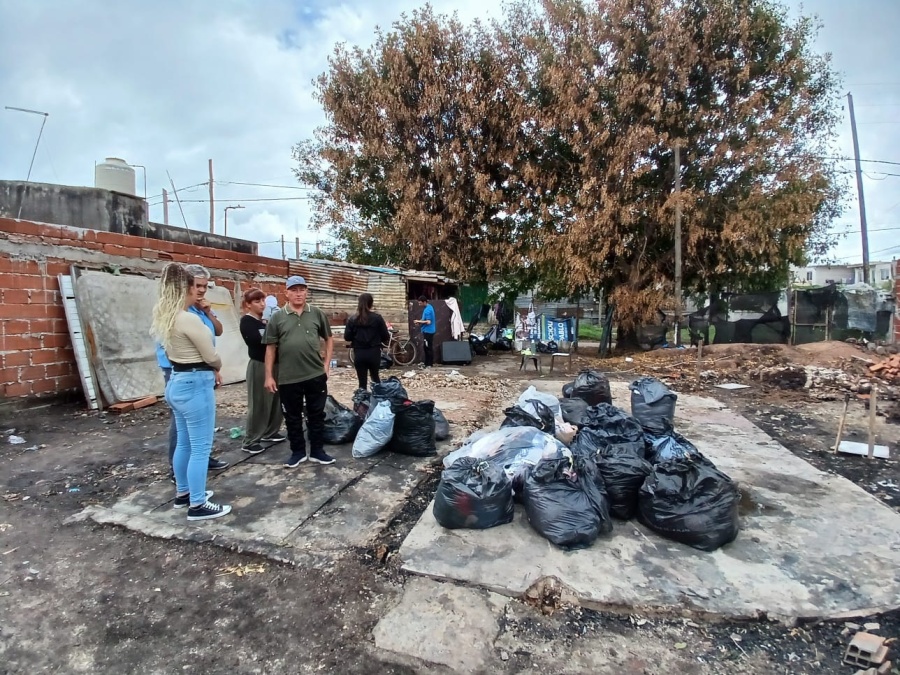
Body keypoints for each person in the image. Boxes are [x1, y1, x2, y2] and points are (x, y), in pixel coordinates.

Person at [151, 263, 232, 521]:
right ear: (186, 288)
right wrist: (217, 364)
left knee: (184, 443)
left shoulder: (167, 316)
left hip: (177, 380)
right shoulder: (188, 318)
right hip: (195, 383)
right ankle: (197, 504)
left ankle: (183, 493)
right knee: (200, 447)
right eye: (195, 287)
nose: (199, 291)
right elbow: (211, 355)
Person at [263, 276, 336, 468]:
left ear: (306, 291)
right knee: (292, 416)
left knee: (317, 414)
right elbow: (270, 347)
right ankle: (297, 452)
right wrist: (269, 375)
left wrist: (326, 364)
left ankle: (318, 451)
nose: (298, 293)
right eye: (294, 290)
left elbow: (329, 338)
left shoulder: (316, 313)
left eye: (302, 289)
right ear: (286, 292)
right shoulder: (277, 317)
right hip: (288, 377)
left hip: (314, 374)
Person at [239, 288, 286, 454]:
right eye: (257, 301)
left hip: (276, 365)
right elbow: (261, 342)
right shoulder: (247, 321)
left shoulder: (264, 322)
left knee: (276, 401)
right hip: (259, 365)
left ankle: (270, 431)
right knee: (259, 402)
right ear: (248, 305)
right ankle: (251, 440)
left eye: (263, 300)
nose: (262, 304)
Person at [344, 292, 391, 391]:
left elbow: (347, 337)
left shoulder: (352, 319)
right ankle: (378, 403)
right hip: (374, 353)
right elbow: (385, 336)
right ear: (371, 304)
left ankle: (362, 404)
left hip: (359, 353)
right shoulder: (377, 318)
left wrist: (356, 337)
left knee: (362, 384)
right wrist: (377, 338)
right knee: (376, 379)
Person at [414, 295, 436, 368]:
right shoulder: (429, 307)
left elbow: (428, 322)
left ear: (424, 302)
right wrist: (420, 322)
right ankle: (427, 363)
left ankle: (429, 364)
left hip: (428, 332)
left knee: (427, 348)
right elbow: (425, 320)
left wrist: (418, 321)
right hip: (428, 331)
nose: (419, 305)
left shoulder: (427, 310)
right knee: (426, 347)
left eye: (420, 303)